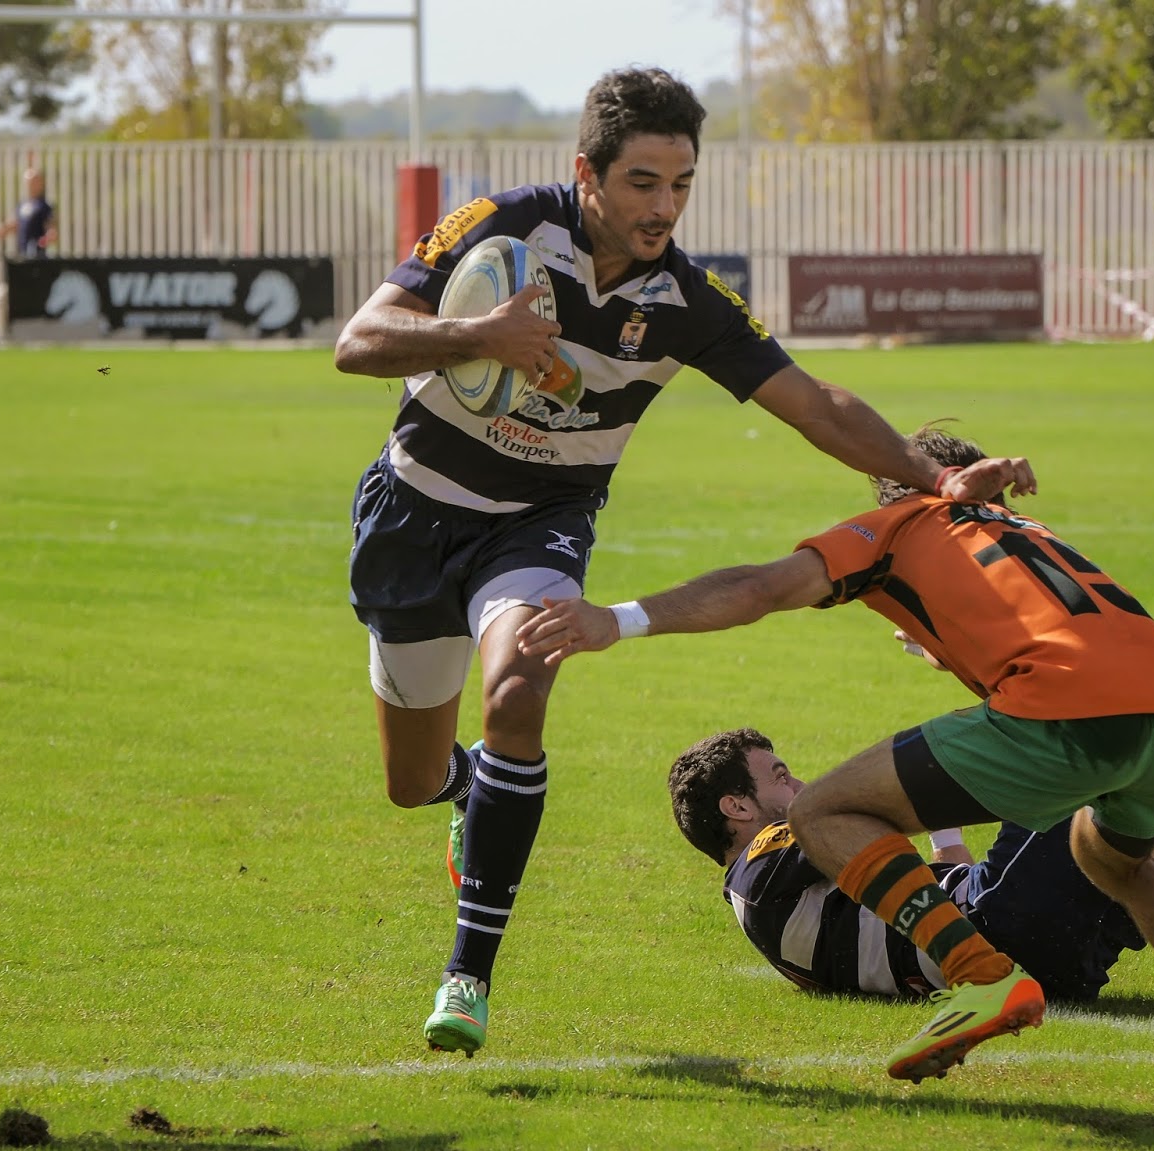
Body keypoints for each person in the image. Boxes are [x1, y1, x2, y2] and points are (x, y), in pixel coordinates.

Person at [330, 68, 953, 1059]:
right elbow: (359, 341)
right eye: (642, 183)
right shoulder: (502, 226)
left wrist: (934, 476)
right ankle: (467, 788)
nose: (664, 206)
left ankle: (467, 973)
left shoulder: (688, 300)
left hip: (537, 527)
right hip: (412, 516)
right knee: (412, 779)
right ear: (587, 173)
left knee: (520, 685)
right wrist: (479, 334)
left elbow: (815, 404)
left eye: (681, 184)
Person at [516, 423, 1154, 1100]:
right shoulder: (1016, 525)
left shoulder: (897, 526)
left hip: (1071, 716)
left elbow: (760, 588)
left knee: (823, 811)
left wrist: (619, 619)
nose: (786, 775)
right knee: (1122, 863)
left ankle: (978, 973)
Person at [672, 726, 1154, 1005]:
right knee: (1086, 758)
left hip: (1005, 936)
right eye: (779, 777)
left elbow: (924, 890)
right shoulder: (756, 875)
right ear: (737, 807)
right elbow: (861, 828)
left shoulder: (777, 894)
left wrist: (939, 823)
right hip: (1000, 932)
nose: (802, 787)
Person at [0, 168, 56, 259]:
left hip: (38, 255)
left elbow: (51, 228)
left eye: (35, 182)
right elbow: (11, 226)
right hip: (23, 253)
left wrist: (46, 239)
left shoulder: (45, 206)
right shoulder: (22, 206)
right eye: (29, 182)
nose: (32, 185)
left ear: (41, 183)